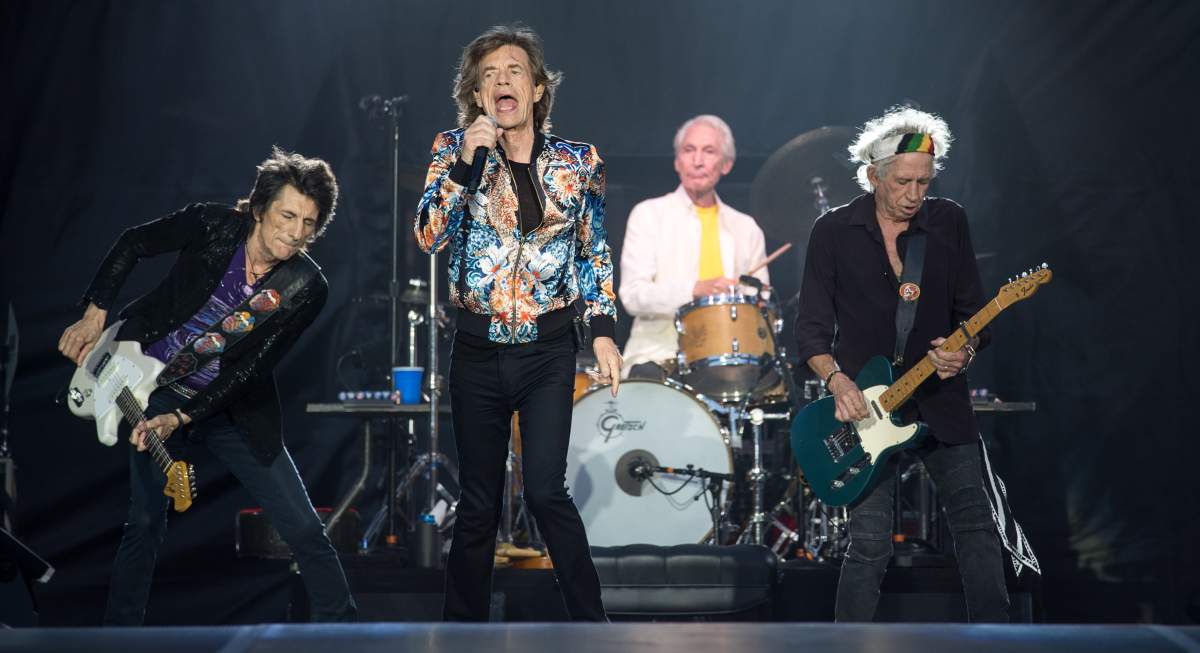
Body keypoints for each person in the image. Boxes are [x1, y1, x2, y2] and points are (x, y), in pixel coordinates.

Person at [58, 148, 356, 625]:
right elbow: (134, 243)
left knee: (304, 527)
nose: (296, 231)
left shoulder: (305, 286)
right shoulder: (212, 225)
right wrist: (97, 311)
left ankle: (345, 635)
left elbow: (249, 371)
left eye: (309, 222)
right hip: (147, 378)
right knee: (146, 521)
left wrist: (183, 416)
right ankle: (120, 637)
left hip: (231, 403)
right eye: (287, 215)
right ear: (260, 208)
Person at [413, 24, 618, 622]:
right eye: (489, 75)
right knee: (478, 501)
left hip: (548, 351)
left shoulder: (580, 162)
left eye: (514, 72)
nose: (502, 81)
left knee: (546, 491)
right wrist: (462, 168)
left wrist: (604, 329)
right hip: (476, 352)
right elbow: (428, 235)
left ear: (535, 89)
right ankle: (462, 629)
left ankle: (591, 621)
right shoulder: (452, 150)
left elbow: (593, 250)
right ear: (477, 96)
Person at [793, 107, 1010, 622]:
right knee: (868, 544)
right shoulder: (834, 230)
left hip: (940, 399)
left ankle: (1002, 640)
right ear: (874, 175)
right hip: (867, 408)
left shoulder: (948, 221)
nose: (915, 194)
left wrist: (966, 351)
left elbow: (975, 315)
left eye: (924, 182)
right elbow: (811, 330)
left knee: (977, 526)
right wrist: (838, 379)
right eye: (904, 181)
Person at [619, 115, 770, 379]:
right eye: (689, 150)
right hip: (658, 353)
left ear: (726, 164)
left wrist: (746, 298)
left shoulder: (747, 229)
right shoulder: (649, 215)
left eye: (709, 151)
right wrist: (695, 290)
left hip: (729, 358)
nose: (697, 161)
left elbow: (762, 302)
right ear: (677, 161)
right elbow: (632, 295)